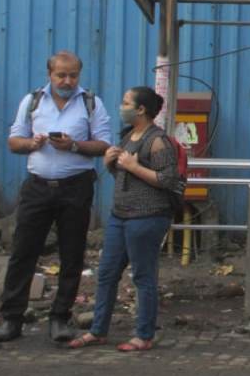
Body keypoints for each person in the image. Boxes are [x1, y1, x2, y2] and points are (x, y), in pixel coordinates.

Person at [0, 51, 111, 343]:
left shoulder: (91, 103)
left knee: (72, 254)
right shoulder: (32, 101)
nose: (67, 81)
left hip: (76, 187)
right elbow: (13, 141)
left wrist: (73, 146)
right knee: (23, 252)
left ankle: (60, 317)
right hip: (37, 187)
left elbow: (104, 144)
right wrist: (31, 143)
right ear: (50, 74)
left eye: (73, 75)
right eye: (61, 75)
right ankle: (12, 319)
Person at [69, 87, 181, 352]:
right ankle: (98, 330)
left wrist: (134, 166)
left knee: (143, 276)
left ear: (141, 109)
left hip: (147, 218)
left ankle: (144, 335)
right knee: (106, 273)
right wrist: (111, 164)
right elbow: (125, 180)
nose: (122, 107)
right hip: (120, 216)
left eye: (126, 103)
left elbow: (168, 180)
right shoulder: (129, 136)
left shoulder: (158, 141)